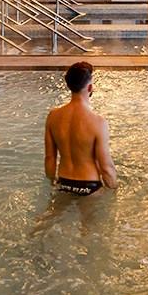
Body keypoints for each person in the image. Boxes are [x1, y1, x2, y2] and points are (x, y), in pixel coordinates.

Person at [43, 61, 118, 196]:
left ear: (69, 86)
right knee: (90, 218)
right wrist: (115, 191)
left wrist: (51, 183)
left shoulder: (53, 116)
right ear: (90, 88)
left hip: (63, 183)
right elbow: (106, 167)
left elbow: (50, 157)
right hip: (89, 186)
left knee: (51, 215)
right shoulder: (98, 123)